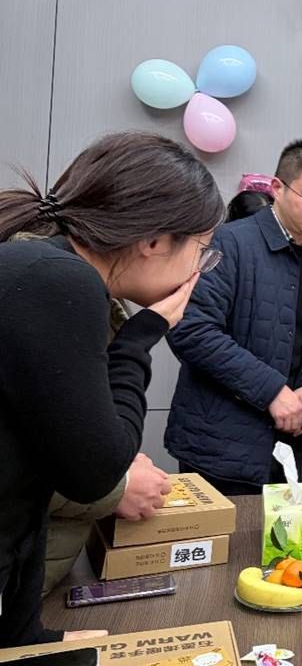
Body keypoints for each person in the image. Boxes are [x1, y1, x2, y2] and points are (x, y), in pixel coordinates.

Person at [0, 131, 222, 647]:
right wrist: (142, 337)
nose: (198, 270)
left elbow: (35, 472)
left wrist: (27, 638)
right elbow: (98, 472)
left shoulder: (41, 266)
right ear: (154, 241)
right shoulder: (61, 282)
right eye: (201, 251)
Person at [166, 137, 302, 494]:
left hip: (286, 443)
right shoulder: (228, 243)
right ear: (277, 188)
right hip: (219, 445)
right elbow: (191, 330)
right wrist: (273, 391)